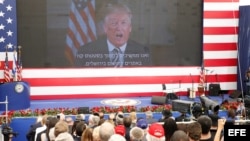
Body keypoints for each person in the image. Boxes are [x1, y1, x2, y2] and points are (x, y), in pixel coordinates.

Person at [75, 3, 152, 67]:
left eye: (123, 23)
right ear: (105, 28)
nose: (119, 28)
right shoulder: (86, 52)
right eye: (114, 23)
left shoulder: (142, 53)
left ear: (130, 28)